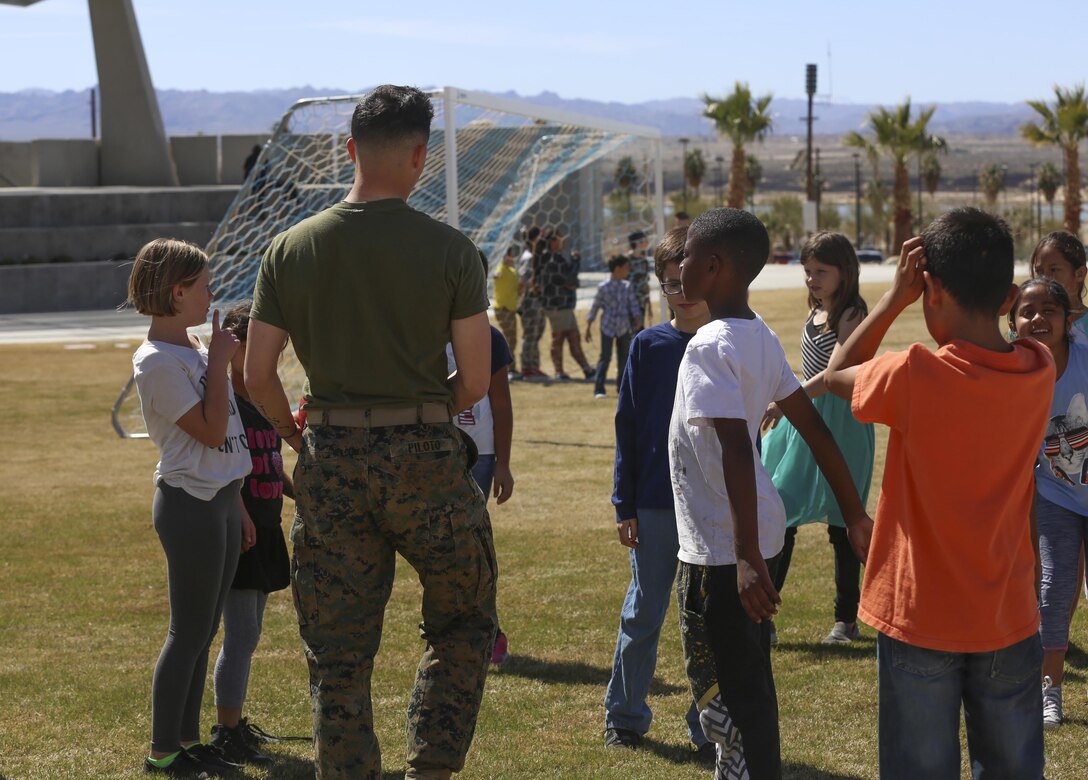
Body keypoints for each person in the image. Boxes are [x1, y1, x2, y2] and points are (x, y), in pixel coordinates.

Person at [244, 85, 496, 780]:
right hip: (425, 458)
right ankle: (431, 768)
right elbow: (474, 381)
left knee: (337, 653)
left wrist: (299, 441)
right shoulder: (450, 250)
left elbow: (257, 374)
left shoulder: (289, 249)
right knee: (463, 622)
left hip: (330, 455)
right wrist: (420, 411)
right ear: (420, 158)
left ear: (350, 150)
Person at [825, 208, 1053, 779]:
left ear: (931, 289)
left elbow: (837, 371)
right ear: (1007, 297)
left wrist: (894, 298)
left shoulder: (913, 374)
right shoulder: (1038, 367)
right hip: (1008, 611)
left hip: (920, 612)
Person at [672, 209, 872, 779]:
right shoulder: (755, 333)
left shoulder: (709, 347)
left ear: (712, 268)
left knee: (727, 692)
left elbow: (738, 449)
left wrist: (744, 557)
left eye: (686, 256)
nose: (678, 266)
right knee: (749, 684)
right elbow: (815, 428)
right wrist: (854, 513)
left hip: (723, 550)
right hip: (751, 536)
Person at [128, 238, 254, 777]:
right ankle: (163, 751)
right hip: (190, 505)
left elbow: (229, 441)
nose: (211, 294)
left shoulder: (195, 349)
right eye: (203, 285)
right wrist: (222, 364)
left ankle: (187, 740)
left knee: (204, 632)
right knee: (188, 632)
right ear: (177, 293)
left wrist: (241, 505)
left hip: (222, 501)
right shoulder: (157, 360)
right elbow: (207, 430)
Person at [604, 226, 712, 756]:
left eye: (690, 280)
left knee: (710, 623)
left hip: (714, 507)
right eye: (671, 284)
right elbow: (627, 428)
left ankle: (709, 725)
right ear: (660, 287)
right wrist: (623, 502)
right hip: (653, 504)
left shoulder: (730, 341)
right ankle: (624, 715)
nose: (683, 292)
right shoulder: (647, 346)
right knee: (643, 611)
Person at [760, 232, 874, 645]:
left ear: (844, 272)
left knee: (844, 524)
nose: (812, 279)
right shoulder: (817, 311)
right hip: (803, 420)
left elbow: (831, 377)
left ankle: (846, 620)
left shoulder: (852, 313)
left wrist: (783, 402)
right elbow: (809, 370)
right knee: (780, 514)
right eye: (808, 271)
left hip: (840, 424)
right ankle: (764, 617)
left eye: (821, 272)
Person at [209, 301, 294, 765]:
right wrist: (240, 513)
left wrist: (298, 489)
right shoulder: (225, 396)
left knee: (251, 634)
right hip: (242, 527)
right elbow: (224, 466)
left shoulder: (261, 394)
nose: (273, 354)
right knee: (240, 636)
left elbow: (267, 463)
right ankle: (226, 733)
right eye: (264, 344)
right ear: (239, 343)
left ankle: (234, 724)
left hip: (266, 524)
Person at [1008, 277, 1087, 730]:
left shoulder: (1084, 362)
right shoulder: (1014, 373)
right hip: (1056, 496)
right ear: (1013, 321)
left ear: (1068, 318)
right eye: (1027, 311)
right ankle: (1048, 692)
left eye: (1048, 310)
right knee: (1053, 592)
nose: (1038, 318)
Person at [446, 310, 515, 665]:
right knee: (442, 549)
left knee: (472, 544)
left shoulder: (489, 338)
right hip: (430, 451)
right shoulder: (418, 333)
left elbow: (501, 402)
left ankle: (489, 630)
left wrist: (502, 462)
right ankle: (454, 633)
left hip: (480, 456)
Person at [540, 230, 594, 380]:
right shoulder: (551, 259)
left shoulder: (557, 258)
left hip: (565, 305)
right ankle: (559, 372)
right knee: (558, 338)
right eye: (559, 238)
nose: (563, 241)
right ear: (552, 241)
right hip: (557, 307)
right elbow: (569, 279)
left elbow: (571, 281)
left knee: (573, 337)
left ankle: (587, 369)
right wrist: (575, 261)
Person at [586, 255, 641, 399]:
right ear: (617, 268)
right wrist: (588, 326)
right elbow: (595, 306)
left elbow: (633, 305)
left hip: (624, 326)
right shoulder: (603, 287)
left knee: (623, 359)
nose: (628, 270)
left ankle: (621, 388)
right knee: (605, 357)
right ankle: (599, 388)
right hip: (608, 326)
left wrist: (637, 320)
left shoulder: (627, 286)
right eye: (625, 267)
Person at [1030, 231, 1088, 343]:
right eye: (1039, 271)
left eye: (1054, 269)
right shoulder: (1029, 325)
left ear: (1080, 274)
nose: (1044, 278)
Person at [517, 227, 547, 380]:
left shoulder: (538, 257)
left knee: (537, 333)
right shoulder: (528, 257)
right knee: (530, 334)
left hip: (539, 300)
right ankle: (526, 366)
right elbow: (523, 279)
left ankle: (534, 365)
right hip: (530, 300)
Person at [493, 244, 522, 379]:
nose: (510, 256)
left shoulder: (513, 270)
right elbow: (496, 275)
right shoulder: (501, 269)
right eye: (507, 254)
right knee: (508, 338)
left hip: (511, 309)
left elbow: (519, 287)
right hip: (502, 308)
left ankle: (512, 367)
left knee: (513, 339)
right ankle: (509, 368)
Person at [627, 230, 654, 328]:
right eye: (644, 240)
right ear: (637, 242)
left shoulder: (644, 261)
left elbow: (646, 285)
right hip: (629, 305)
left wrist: (649, 306)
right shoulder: (627, 261)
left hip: (642, 304)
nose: (646, 242)